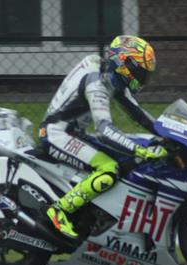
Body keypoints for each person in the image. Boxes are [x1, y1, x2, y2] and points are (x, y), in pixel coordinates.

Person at [39, 35, 167, 239]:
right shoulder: (97, 82)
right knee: (109, 168)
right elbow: (104, 130)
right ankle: (59, 210)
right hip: (57, 134)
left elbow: (138, 114)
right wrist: (139, 149)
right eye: (141, 73)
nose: (143, 80)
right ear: (126, 64)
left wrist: (169, 134)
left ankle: (96, 215)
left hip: (73, 133)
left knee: (127, 159)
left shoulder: (110, 75)